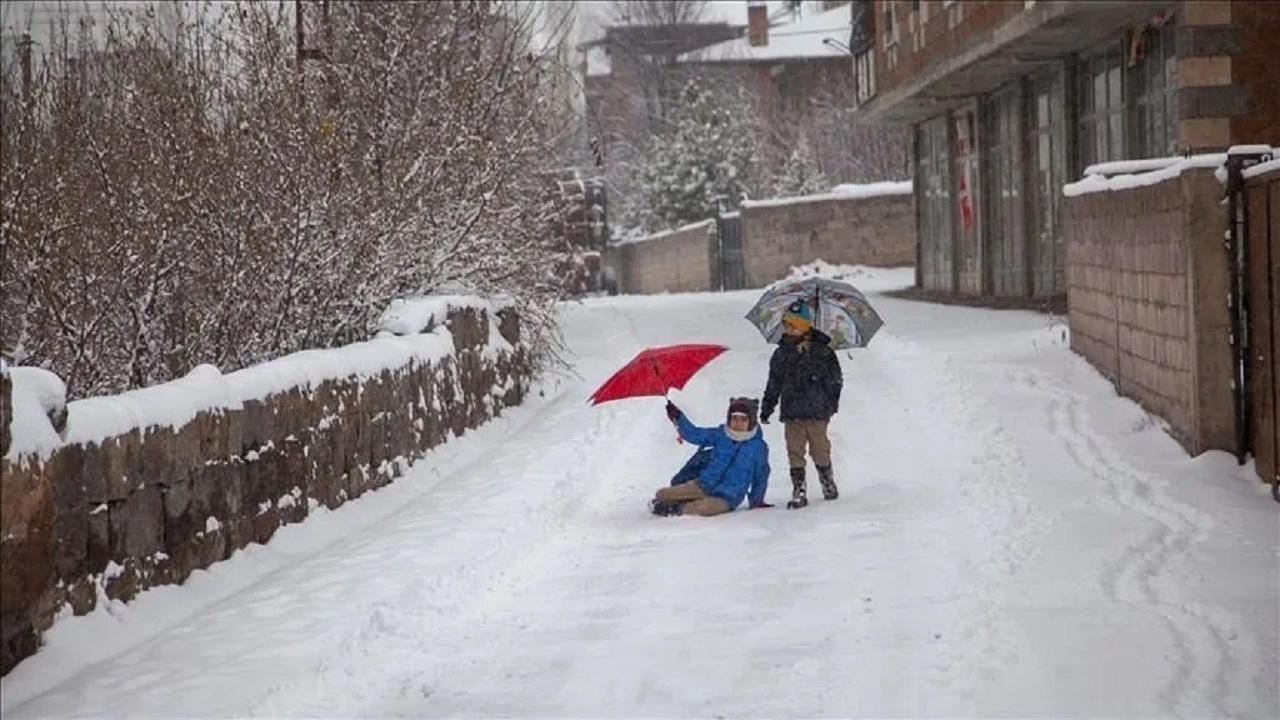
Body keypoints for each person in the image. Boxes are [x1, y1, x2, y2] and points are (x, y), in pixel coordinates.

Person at [760, 300, 843, 509]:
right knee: (794, 450)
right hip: (792, 411)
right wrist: (767, 406)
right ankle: (799, 488)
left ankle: (826, 479)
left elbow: (835, 380)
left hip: (817, 410)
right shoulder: (781, 354)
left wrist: (831, 403)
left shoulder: (822, 352)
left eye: (794, 325)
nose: (789, 329)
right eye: (786, 325)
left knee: (819, 449)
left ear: (805, 326)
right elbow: (774, 382)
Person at [650, 397, 771, 517]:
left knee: (705, 508)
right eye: (734, 418)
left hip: (726, 497)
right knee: (661, 494)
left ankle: (676, 509)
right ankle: (676, 500)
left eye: (743, 420)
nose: (738, 424)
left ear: (752, 421)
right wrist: (678, 417)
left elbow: (760, 476)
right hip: (702, 485)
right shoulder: (720, 434)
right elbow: (694, 434)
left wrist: (757, 501)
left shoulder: (758, 447)